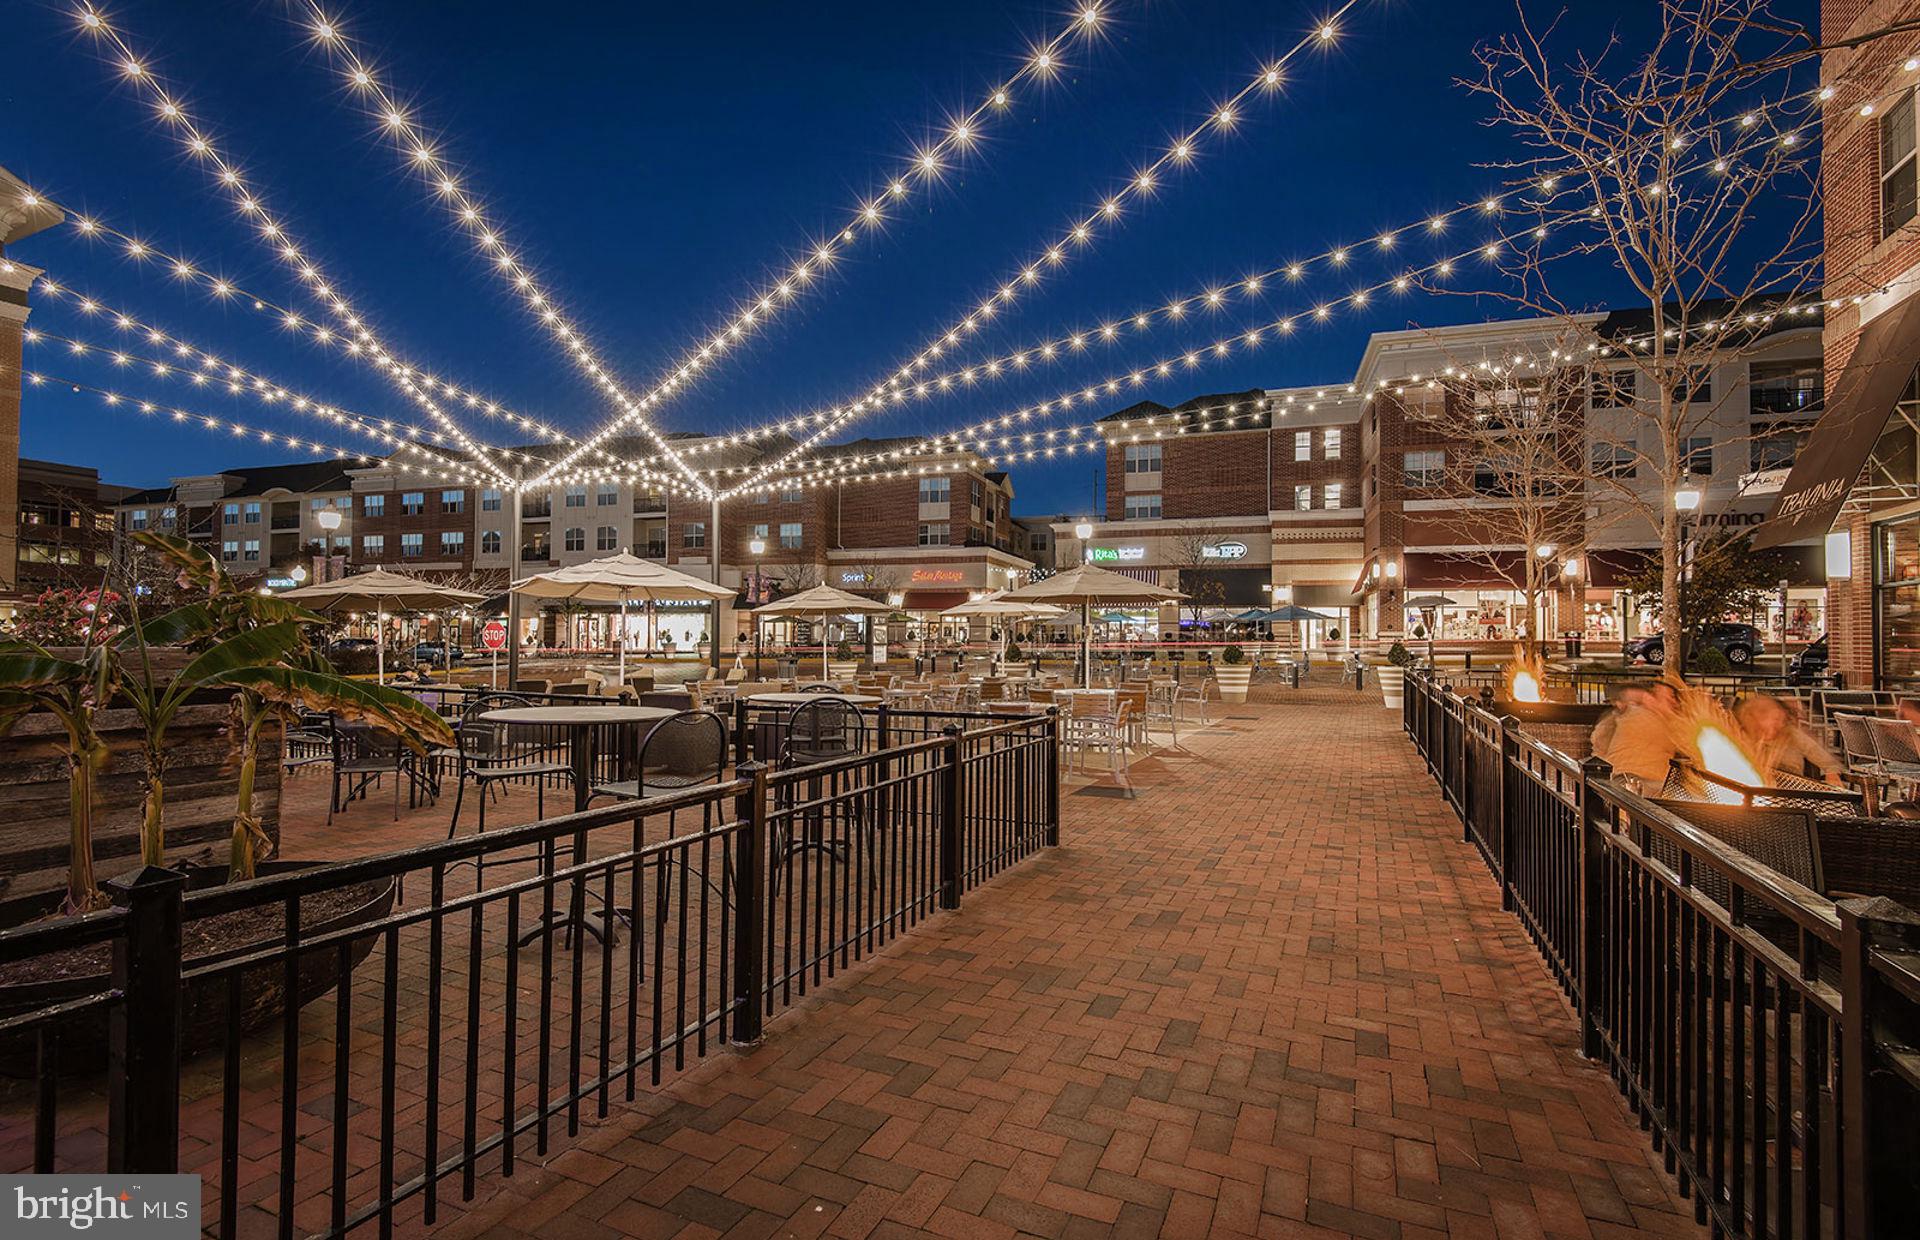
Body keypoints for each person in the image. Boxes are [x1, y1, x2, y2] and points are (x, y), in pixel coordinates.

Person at [1736, 694, 1846, 785]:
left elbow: (1828, 762)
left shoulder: (1792, 735)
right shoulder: (1742, 737)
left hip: (1791, 794)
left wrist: (1832, 773)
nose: (1780, 724)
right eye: (1775, 719)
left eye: (1781, 719)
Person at [1591, 680, 1681, 791]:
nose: (1674, 702)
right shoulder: (1645, 718)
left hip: (1620, 780)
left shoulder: (1627, 716)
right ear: (1650, 699)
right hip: (1635, 782)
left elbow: (1598, 743)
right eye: (1669, 698)